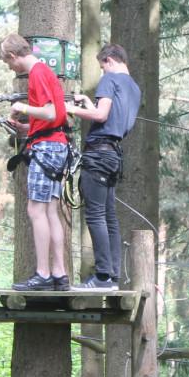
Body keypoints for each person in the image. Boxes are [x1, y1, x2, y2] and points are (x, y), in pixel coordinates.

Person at [0, 33, 71, 291]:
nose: (10, 68)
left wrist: (22, 106)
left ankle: (42, 274)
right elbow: (53, 117)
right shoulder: (45, 72)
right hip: (55, 143)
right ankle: (59, 275)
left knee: (35, 211)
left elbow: (50, 112)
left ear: (13, 56)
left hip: (47, 148)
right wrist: (25, 126)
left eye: (8, 63)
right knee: (50, 211)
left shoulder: (38, 73)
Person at [66, 43, 141, 290]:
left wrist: (71, 109)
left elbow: (101, 117)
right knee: (109, 217)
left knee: (96, 215)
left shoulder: (109, 79)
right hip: (112, 155)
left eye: (101, 66)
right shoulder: (134, 87)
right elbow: (110, 116)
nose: (102, 70)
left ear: (109, 60)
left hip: (98, 155)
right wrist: (89, 103)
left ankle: (101, 276)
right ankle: (112, 277)